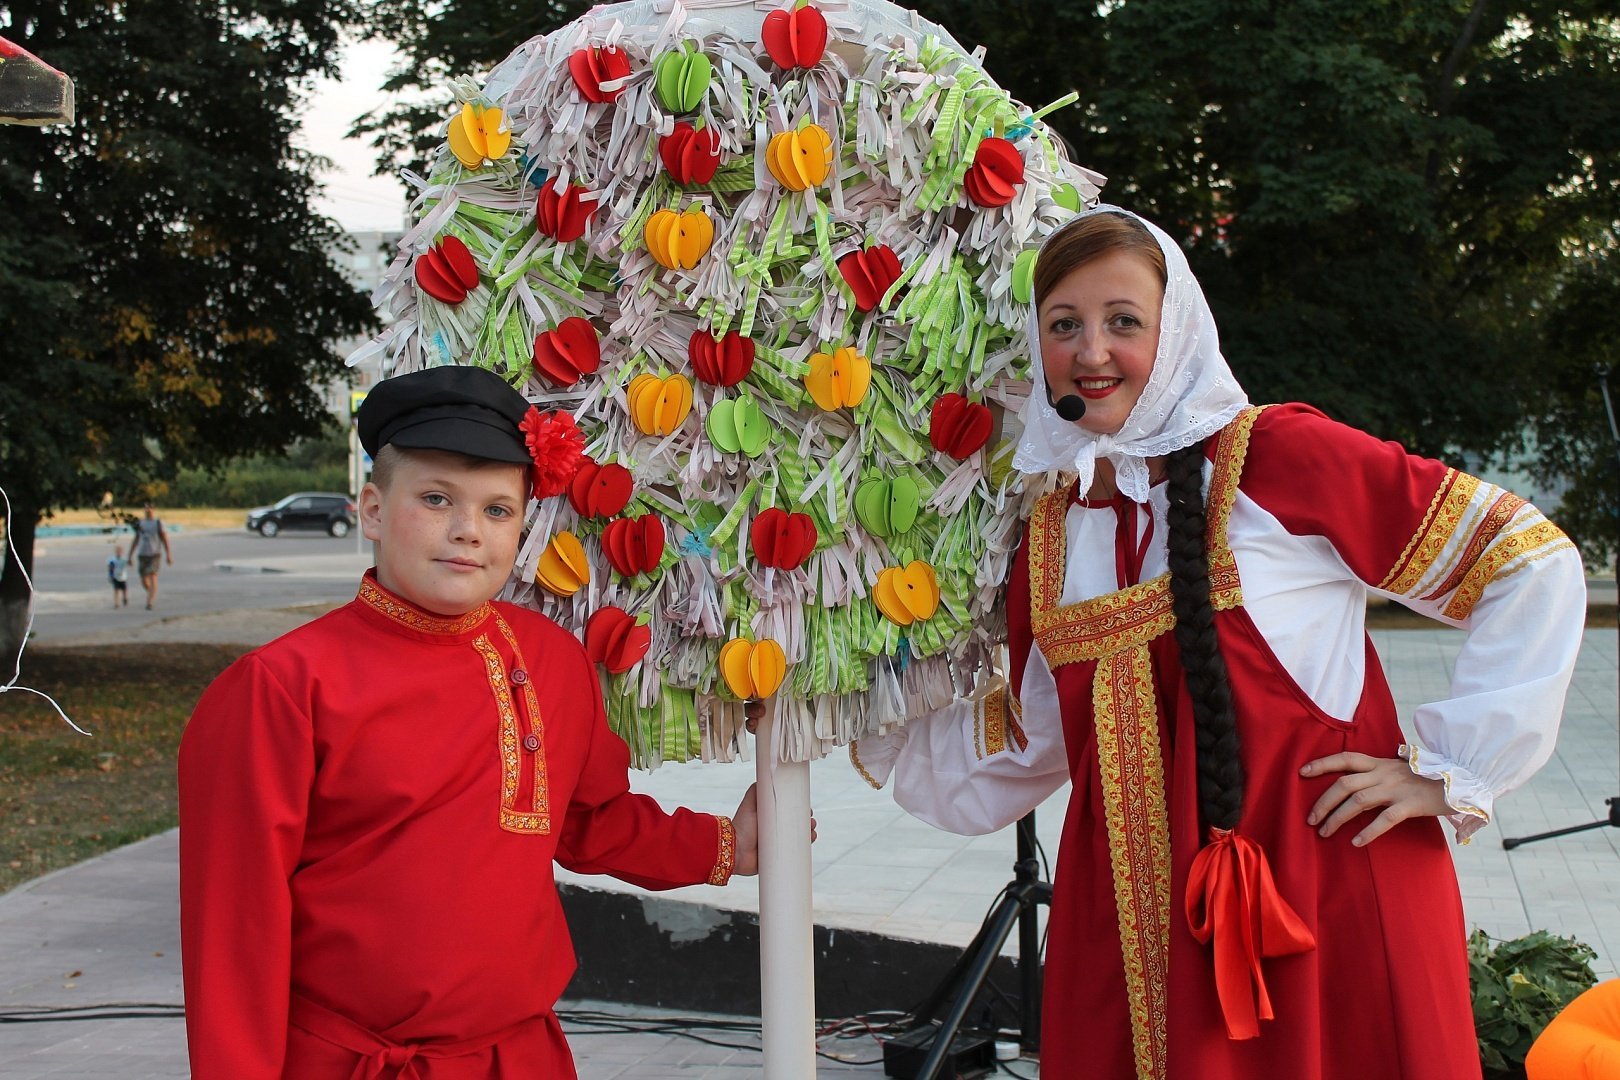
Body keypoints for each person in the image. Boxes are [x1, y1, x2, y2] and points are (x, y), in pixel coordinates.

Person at [852, 206, 1586, 1079]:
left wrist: (1452, 767)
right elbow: (1035, 743)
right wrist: (853, 716)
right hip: (1127, 938)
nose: (1092, 351)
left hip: (1318, 899)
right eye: (1064, 325)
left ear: (1179, 328)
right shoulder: (1050, 532)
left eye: (1123, 321)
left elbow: (1527, 560)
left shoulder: (1280, 458)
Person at [178, 366, 767, 1079]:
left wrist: (727, 846)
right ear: (370, 508)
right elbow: (234, 934)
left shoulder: (551, 658)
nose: (467, 532)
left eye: (497, 510)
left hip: (516, 1060)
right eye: (435, 499)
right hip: (348, 1064)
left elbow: (591, 822)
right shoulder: (278, 689)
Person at [129, 504, 171, 610]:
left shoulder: (158, 523)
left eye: (150, 507)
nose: (148, 509)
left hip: (154, 554)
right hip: (142, 554)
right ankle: (151, 593)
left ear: (153, 509)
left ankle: (150, 602)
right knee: (144, 580)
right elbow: (136, 539)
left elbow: (164, 539)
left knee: (153, 576)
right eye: (146, 507)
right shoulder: (140, 523)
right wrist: (130, 555)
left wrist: (168, 554)